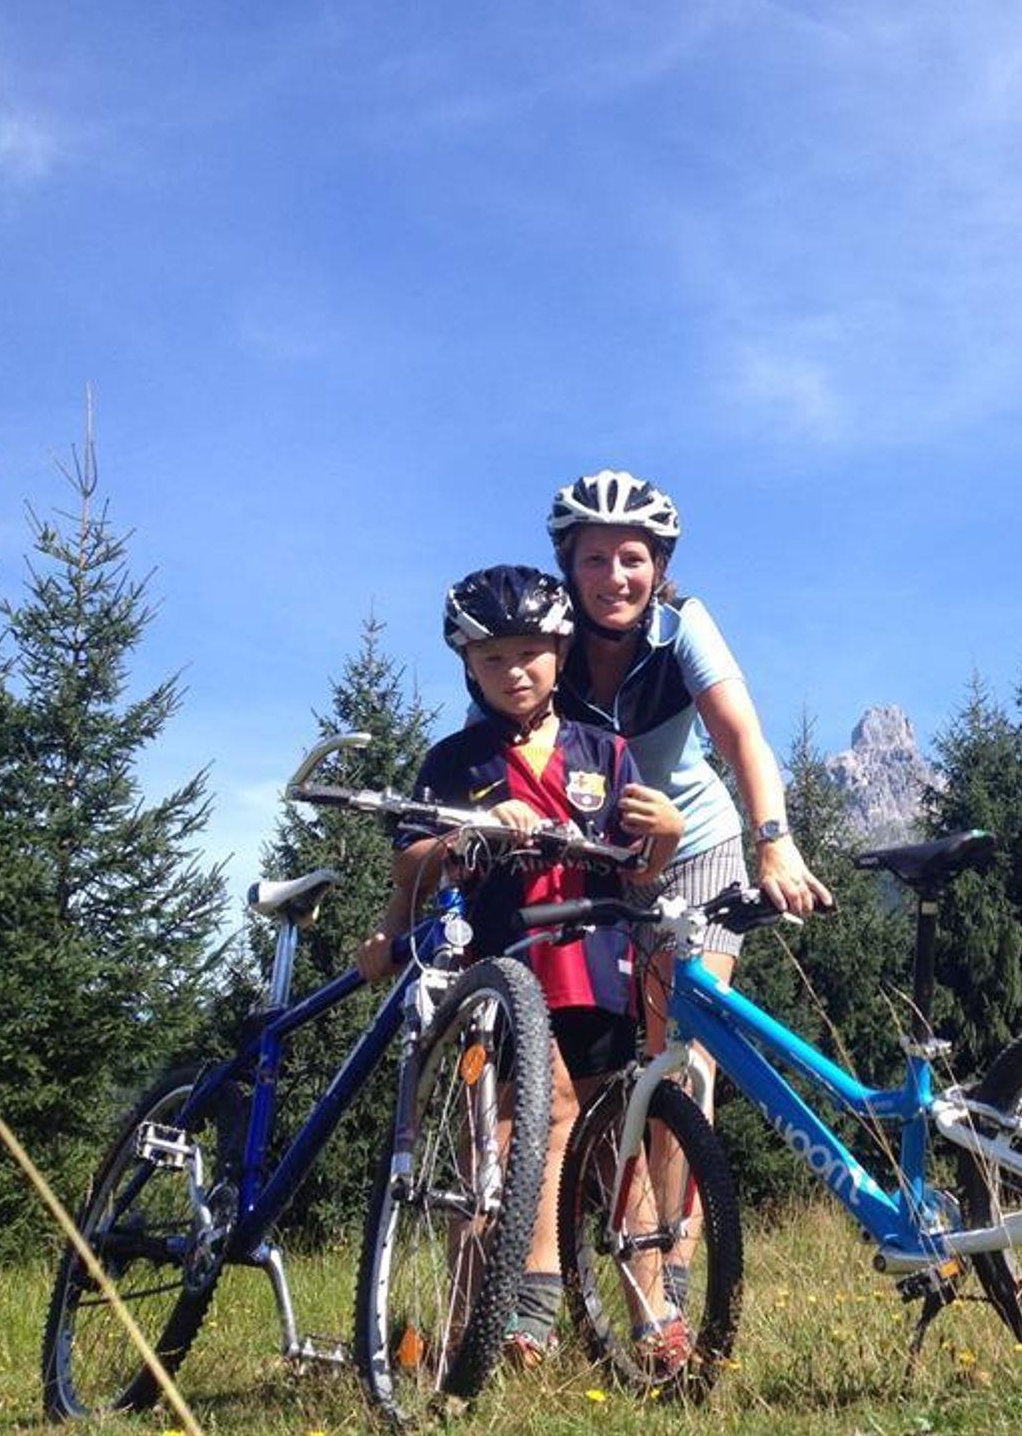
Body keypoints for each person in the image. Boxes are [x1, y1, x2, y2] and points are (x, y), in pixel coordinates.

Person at [356, 564, 686, 1369]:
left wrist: (669, 835)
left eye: (531, 653)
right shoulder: (453, 761)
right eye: (493, 657)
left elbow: (638, 870)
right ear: (468, 665)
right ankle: (496, 1316)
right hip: (498, 971)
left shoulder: (604, 752)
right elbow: (410, 864)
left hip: (597, 970)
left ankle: (652, 1316)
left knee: (616, 1137)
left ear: (561, 653)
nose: (514, 672)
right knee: (500, 1135)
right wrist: (465, 836)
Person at [545, 470, 833, 1308]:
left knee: (679, 1056)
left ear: (659, 565)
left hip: (697, 849)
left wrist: (775, 842)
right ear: (568, 565)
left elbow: (741, 735)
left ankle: (673, 1267)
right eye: (594, 558)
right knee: (600, 1077)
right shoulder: (547, 638)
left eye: (632, 558)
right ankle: (624, 1258)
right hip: (595, 865)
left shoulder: (683, 628)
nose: (614, 576)